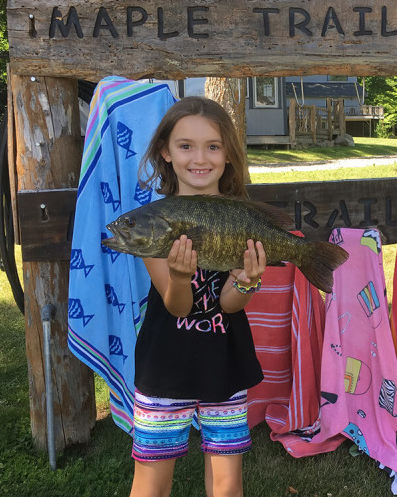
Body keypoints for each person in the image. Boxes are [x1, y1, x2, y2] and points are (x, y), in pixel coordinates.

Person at [130, 97, 265, 497]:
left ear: (228, 155)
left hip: (226, 360)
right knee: (151, 483)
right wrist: (178, 276)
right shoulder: (152, 223)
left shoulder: (240, 217)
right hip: (164, 365)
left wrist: (245, 281)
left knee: (226, 485)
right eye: (185, 145)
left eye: (213, 145)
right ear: (165, 153)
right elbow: (177, 306)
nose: (199, 158)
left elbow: (229, 304)